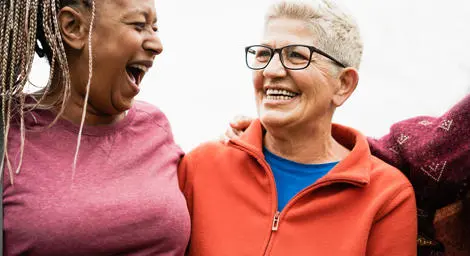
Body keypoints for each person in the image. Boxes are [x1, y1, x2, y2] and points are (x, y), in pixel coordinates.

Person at [178, 0, 418, 255]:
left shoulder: (387, 196)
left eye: (296, 55)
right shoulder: (200, 167)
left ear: (343, 84)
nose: (270, 70)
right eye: (263, 54)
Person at [1, 0, 189, 255]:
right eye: (139, 25)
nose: (157, 45)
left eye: (155, 28)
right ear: (73, 27)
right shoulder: (9, 134)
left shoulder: (155, 127)